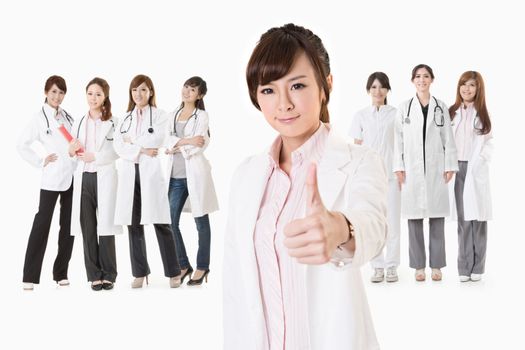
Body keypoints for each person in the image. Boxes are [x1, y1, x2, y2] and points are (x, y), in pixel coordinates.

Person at [223, 23, 387, 350]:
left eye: (297, 85)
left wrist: (341, 229)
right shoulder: (246, 175)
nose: (283, 104)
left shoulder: (359, 161)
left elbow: (374, 223)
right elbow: (236, 290)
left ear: (326, 85)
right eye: (268, 90)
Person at [113, 74, 181, 288]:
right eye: (134, 90)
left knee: (161, 222)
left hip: (150, 174)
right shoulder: (124, 118)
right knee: (133, 224)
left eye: (143, 89)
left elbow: (158, 139)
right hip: (128, 173)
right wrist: (141, 149)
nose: (138, 94)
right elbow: (117, 145)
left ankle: (174, 271)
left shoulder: (161, 116)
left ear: (150, 92)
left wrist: (131, 143)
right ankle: (140, 272)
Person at [393, 64, 458, 282]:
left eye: (426, 76)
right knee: (413, 217)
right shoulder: (404, 108)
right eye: (418, 76)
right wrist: (399, 167)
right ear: (413, 80)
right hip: (411, 168)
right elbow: (398, 141)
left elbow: (448, 138)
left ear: (432, 79)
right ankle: (419, 266)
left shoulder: (441, 107)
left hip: (435, 168)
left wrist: (450, 165)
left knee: (437, 217)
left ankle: (437, 266)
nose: (422, 80)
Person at [17, 75, 75, 290]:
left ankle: (61, 273)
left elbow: (75, 142)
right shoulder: (39, 119)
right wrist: (41, 161)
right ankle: (29, 276)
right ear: (46, 92)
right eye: (53, 92)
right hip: (51, 178)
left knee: (68, 226)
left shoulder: (68, 116)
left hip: (71, 175)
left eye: (61, 93)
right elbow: (21, 145)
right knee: (41, 225)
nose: (57, 96)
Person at [165, 76, 219, 286]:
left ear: (200, 95)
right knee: (170, 223)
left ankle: (202, 267)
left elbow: (201, 144)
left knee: (201, 222)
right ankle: (183, 264)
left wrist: (177, 146)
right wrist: (186, 141)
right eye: (186, 87)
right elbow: (165, 140)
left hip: (195, 175)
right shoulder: (172, 115)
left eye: (193, 89)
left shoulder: (202, 116)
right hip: (175, 176)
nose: (187, 91)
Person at [69, 77, 122, 291]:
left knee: (106, 227)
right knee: (88, 227)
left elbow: (117, 151)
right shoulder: (79, 122)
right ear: (86, 95)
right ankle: (94, 274)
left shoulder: (114, 122)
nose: (94, 98)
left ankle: (109, 273)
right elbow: (72, 150)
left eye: (98, 94)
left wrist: (95, 157)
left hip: (105, 176)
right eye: (90, 93)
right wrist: (71, 151)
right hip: (84, 179)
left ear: (105, 97)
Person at [349, 72, 401, 283]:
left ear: (388, 89)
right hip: (370, 176)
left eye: (381, 87)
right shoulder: (361, 115)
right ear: (368, 90)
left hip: (392, 175)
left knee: (393, 222)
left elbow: (402, 144)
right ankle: (377, 265)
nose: (377, 91)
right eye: (373, 87)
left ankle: (392, 266)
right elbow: (357, 146)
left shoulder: (396, 114)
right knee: (373, 221)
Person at [448, 71, 493, 282]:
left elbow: (490, 143)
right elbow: (444, 142)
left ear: (478, 89)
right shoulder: (451, 112)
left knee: (479, 219)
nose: (466, 88)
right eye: (463, 84)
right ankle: (464, 267)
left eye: (472, 85)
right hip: (456, 169)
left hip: (475, 170)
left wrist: (482, 159)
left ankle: (478, 267)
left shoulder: (483, 114)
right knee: (463, 219)